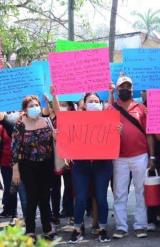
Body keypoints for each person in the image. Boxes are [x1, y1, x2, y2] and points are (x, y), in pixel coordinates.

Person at [58, 93, 114, 244]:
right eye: (91, 101)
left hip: (102, 165)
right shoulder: (75, 119)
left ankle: (102, 229)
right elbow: (65, 132)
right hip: (81, 165)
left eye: (97, 101)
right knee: (81, 198)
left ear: (101, 104)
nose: (94, 103)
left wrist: (117, 131)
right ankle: (77, 229)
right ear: (84, 103)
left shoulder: (107, 119)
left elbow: (113, 138)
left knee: (101, 197)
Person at [111, 76, 155, 239]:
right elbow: (105, 134)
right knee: (120, 192)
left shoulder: (141, 108)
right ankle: (121, 226)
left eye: (128, 86)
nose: (125, 89)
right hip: (119, 157)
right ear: (117, 89)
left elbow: (149, 133)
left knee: (141, 191)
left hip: (140, 155)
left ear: (132, 89)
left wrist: (153, 156)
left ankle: (140, 225)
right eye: (122, 86)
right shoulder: (110, 109)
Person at [11, 96, 56, 241]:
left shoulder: (47, 121)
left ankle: (47, 228)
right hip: (27, 165)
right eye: (31, 106)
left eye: (36, 105)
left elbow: (54, 141)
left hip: (46, 164)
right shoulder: (19, 125)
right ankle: (30, 230)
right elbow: (15, 149)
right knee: (32, 197)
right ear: (24, 109)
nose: (34, 107)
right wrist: (15, 170)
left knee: (44, 196)